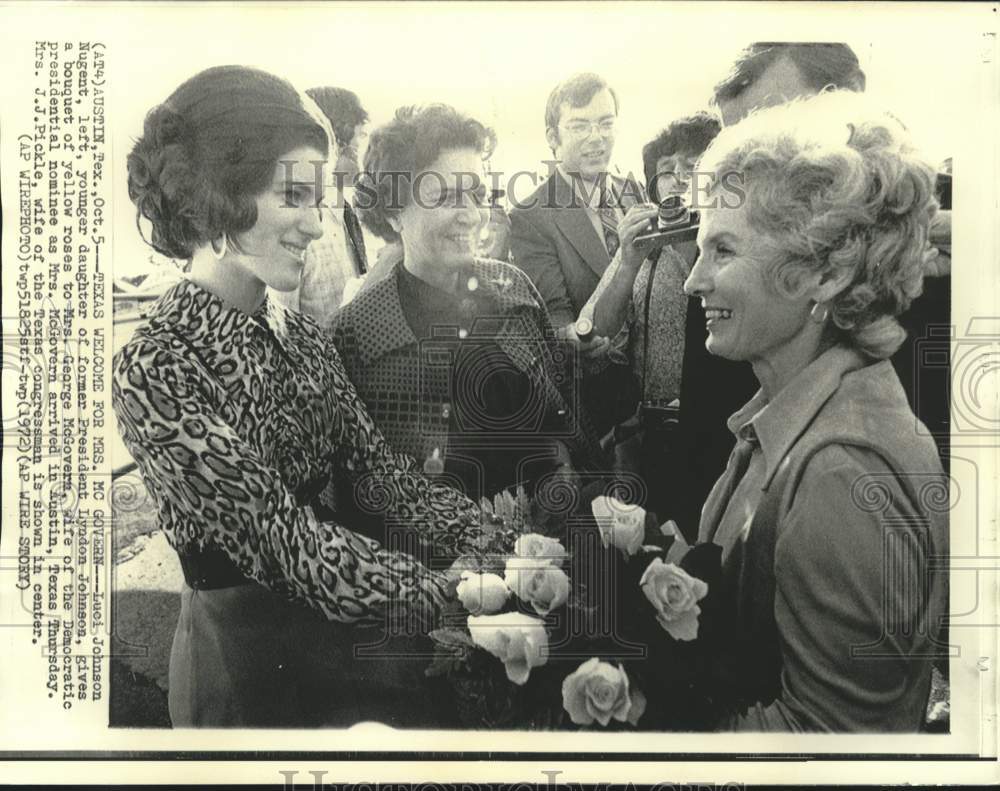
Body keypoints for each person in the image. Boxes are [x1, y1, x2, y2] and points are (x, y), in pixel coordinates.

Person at [114, 66, 495, 727]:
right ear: (217, 191)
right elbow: (288, 546)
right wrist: (458, 592)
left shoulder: (300, 334)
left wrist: (503, 541)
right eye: (294, 194)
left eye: (320, 200)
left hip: (336, 653)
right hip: (236, 676)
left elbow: (384, 480)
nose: (318, 226)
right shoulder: (154, 364)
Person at [687, 93, 948, 731]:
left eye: (723, 251)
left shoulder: (842, 471)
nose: (694, 279)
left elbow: (834, 748)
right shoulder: (802, 411)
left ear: (822, 275)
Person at [333, 104, 604, 505]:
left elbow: (562, 418)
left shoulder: (515, 288)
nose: (471, 215)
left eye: (476, 194)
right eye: (446, 197)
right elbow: (358, 496)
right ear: (393, 213)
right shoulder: (353, 335)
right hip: (432, 561)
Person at [578, 113, 721, 521]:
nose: (677, 179)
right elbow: (597, 332)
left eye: (692, 167)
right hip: (652, 437)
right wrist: (627, 261)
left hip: (717, 430)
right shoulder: (644, 245)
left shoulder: (734, 243)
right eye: (666, 171)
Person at [509, 72, 646, 433]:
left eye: (606, 124)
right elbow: (554, 323)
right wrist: (571, 338)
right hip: (596, 403)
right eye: (579, 127)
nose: (596, 138)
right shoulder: (530, 216)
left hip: (655, 394)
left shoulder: (633, 190)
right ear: (553, 138)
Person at [268, 85, 369, 327]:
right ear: (336, 144)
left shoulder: (349, 213)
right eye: (360, 138)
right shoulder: (297, 228)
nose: (364, 153)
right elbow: (280, 327)